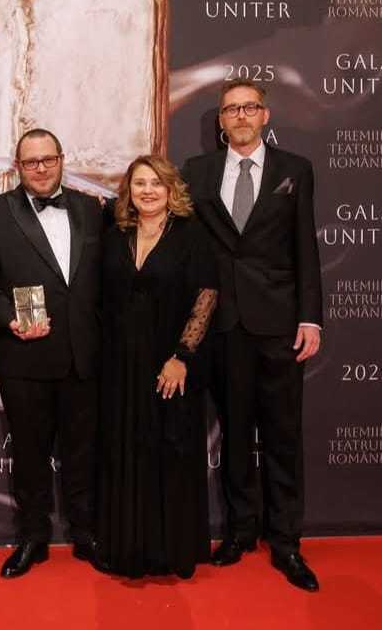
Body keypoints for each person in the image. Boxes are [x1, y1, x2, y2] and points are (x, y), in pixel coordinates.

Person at [181, 77, 323, 592]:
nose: (240, 115)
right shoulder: (196, 172)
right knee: (235, 432)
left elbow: (305, 247)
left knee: (283, 435)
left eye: (249, 107)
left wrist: (311, 318)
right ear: (221, 121)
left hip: (280, 323)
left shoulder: (294, 170)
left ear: (265, 115)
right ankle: (241, 531)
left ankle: (286, 541)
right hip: (223, 323)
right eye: (231, 109)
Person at [0, 128, 104, 578]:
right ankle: (32, 537)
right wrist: (10, 318)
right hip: (25, 358)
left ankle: (86, 533)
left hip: (84, 355)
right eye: (31, 162)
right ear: (17, 167)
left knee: (84, 452)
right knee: (28, 455)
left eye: (48, 159)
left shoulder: (90, 208)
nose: (41, 169)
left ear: (62, 159)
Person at [96, 155, 218, 579]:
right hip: (120, 365)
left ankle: (170, 551)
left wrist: (182, 357)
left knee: (170, 450)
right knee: (126, 451)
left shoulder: (191, 234)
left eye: (156, 183)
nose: (147, 191)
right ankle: (129, 550)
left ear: (170, 189)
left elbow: (206, 297)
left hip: (170, 363)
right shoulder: (115, 235)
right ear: (128, 191)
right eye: (139, 183)